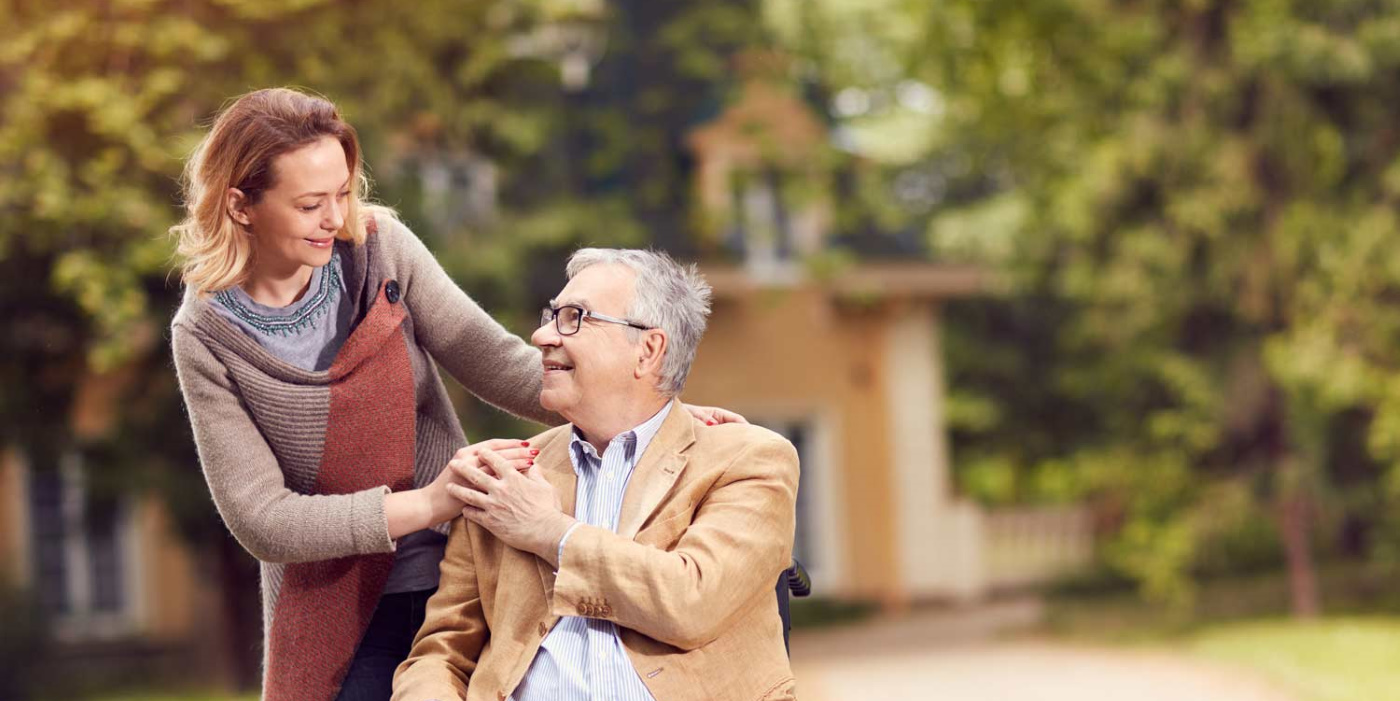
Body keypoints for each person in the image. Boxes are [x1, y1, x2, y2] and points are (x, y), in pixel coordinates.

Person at [168, 88, 741, 701]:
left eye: (343, 192)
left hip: (459, 578)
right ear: (241, 205)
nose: (336, 219)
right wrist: (436, 501)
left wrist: (648, 407)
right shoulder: (206, 335)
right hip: (336, 607)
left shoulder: (378, 248)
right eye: (311, 204)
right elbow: (264, 520)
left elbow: (492, 359)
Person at [392, 249, 800, 701]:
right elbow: (441, 655)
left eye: (575, 317)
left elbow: (692, 602)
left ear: (648, 350)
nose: (542, 334)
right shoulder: (503, 475)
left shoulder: (749, 460)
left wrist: (550, 532)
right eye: (551, 315)